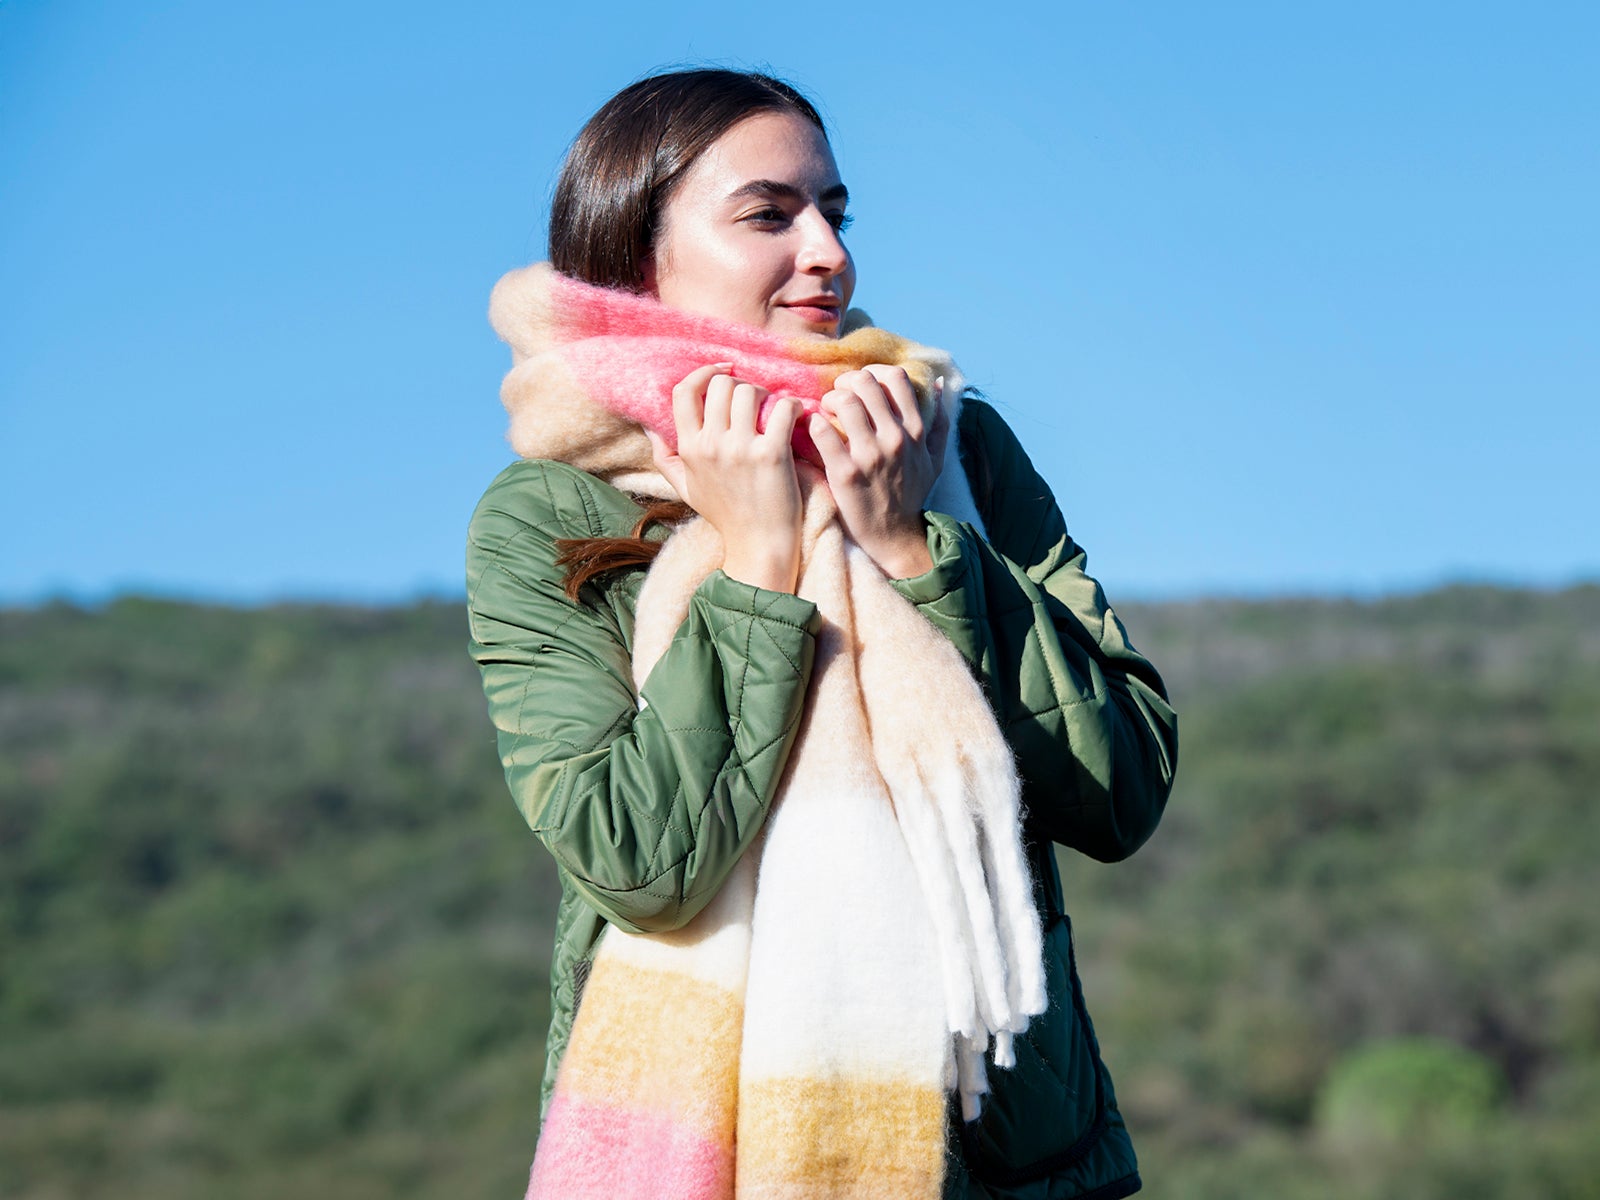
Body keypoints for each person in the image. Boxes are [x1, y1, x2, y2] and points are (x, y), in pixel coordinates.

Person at [467, 68, 1178, 1200]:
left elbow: (1121, 788)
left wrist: (912, 549)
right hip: (701, 1159)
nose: (827, 253)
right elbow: (639, 863)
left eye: (834, 213)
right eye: (768, 215)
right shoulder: (550, 511)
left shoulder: (952, 448)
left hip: (1010, 1163)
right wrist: (755, 567)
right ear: (636, 251)